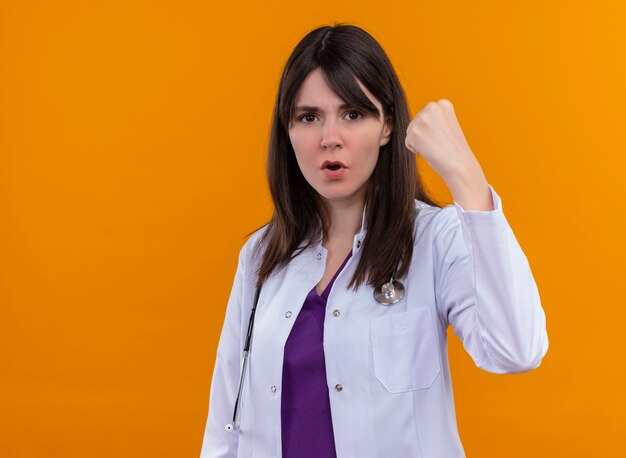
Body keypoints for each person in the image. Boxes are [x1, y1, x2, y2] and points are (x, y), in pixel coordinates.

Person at [199, 23, 549, 458]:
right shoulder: (260, 256)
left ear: (387, 126)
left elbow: (515, 349)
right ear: (287, 133)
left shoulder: (435, 240)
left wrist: (467, 178)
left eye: (353, 114)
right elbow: (225, 427)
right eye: (309, 117)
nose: (330, 137)